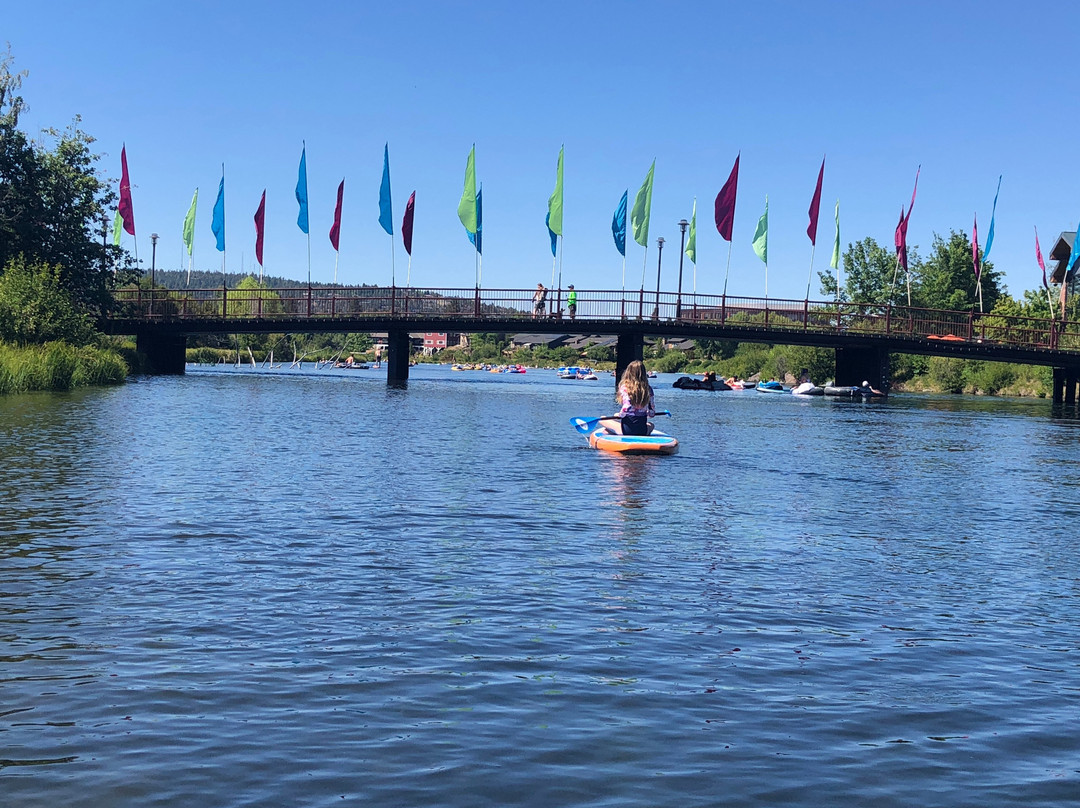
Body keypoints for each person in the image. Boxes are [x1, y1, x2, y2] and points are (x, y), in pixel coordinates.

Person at [599, 360, 656, 436]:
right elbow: (652, 414)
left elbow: (627, 407)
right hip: (642, 431)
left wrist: (619, 415)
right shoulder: (649, 389)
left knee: (602, 419)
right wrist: (645, 413)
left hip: (627, 431)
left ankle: (612, 433)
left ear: (629, 372)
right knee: (651, 425)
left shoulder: (625, 388)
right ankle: (611, 432)